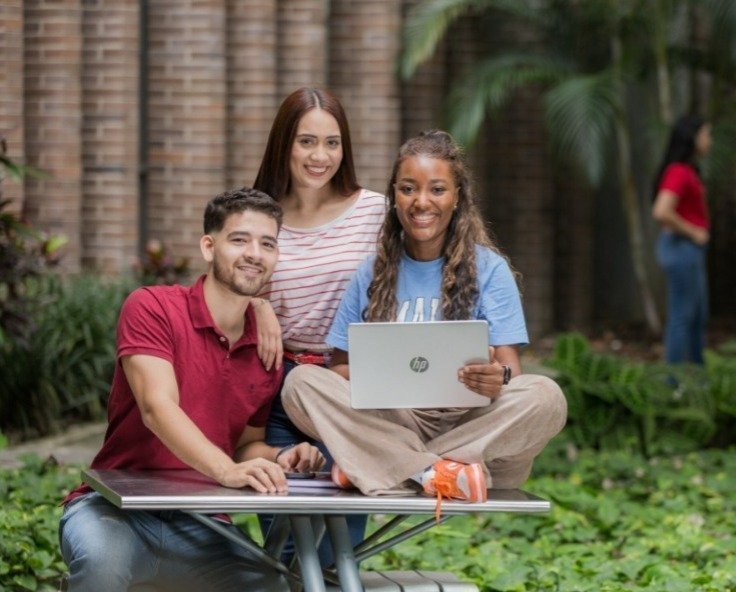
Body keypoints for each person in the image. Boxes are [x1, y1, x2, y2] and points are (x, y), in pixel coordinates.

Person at [280, 130, 567, 517]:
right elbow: (338, 367)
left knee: (545, 396)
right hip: (394, 418)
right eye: (408, 189)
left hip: (471, 422)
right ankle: (438, 473)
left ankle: (389, 467)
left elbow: (510, 369)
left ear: (457, 197)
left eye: (436, 189)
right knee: (300, 384)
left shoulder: (489, 269)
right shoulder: (371, 273)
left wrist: (496, 378)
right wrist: (377, 375)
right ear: (395, 196)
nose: (421, 202)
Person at [59, 188, 324, 592]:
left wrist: (282, 456)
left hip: (202, 523)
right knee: (102, 565)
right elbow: (156, 407)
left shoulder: (265, 352)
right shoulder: (152, 307)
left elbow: (243, 445)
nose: (254, 253)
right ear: (208, 246)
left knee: (270, 585)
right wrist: (226, 471)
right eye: (239, 240)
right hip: (114, 510)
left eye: (267, 244)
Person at [251, 87, 386, 546]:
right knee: (283, 537)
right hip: (273, 382)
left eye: (332, 142)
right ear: (283, 143)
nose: (320, 155)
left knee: (337, 539)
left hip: (345, 384)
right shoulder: (258, 215)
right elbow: (222, 285)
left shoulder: (373, 211)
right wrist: (258, 305)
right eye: (306, 141)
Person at [651, 115, 712, 365]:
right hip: (681, 249)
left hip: (687, 250)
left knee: (697, 316)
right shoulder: (678, 171)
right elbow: (661, 211)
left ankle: (697, 376)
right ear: (693, 138)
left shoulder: (687, 170)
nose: (710, 141)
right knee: (682, 316)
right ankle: (673, 383)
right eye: (707, 134)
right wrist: (693, 231)